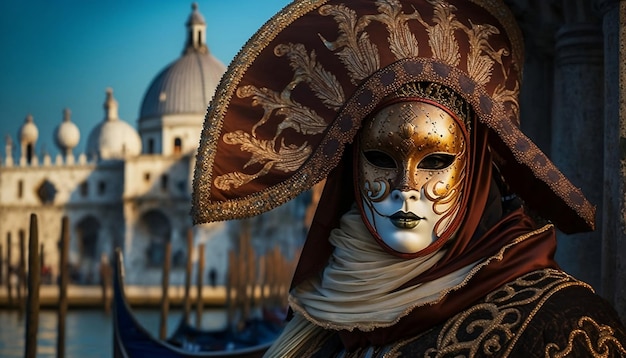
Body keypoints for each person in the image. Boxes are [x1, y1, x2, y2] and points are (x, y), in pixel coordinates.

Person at [191, 0, 626, 356]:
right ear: (351, 171)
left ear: (474, 172)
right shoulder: (322, 318)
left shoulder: (564, 328)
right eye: (381, 158)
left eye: (436, 161)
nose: (405, 188)